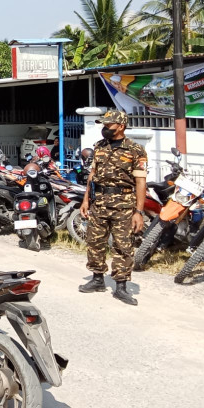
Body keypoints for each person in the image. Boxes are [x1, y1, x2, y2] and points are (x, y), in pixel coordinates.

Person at [79, 110, 147, 306]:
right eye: (104, 125)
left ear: (121, 126)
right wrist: (86, 200)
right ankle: (97, 278)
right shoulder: (99, 147)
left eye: (108, 125)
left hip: (124, 203)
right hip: (99, 201)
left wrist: (139, 212)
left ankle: (121, 286)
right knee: (95, 241)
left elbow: (140, 182)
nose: (104, 128)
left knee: (123, 245)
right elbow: (92, 175)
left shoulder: (135, 150)